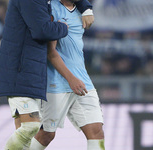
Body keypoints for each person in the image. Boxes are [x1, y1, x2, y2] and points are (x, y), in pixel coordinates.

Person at [0, 0, 94, 149]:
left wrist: (86, 8)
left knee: (26, 138)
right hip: (19, 69)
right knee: (31, 127)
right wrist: (62, 27)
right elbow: (41, 30)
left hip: (31, 70)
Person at [29, 0, 105, 149]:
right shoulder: (51, 9)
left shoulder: (81, 9)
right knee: (47, 134)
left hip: (83, 81)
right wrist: (71, 79)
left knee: (96, 132)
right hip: (57, 82)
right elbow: (50, 53)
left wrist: (87, 9)